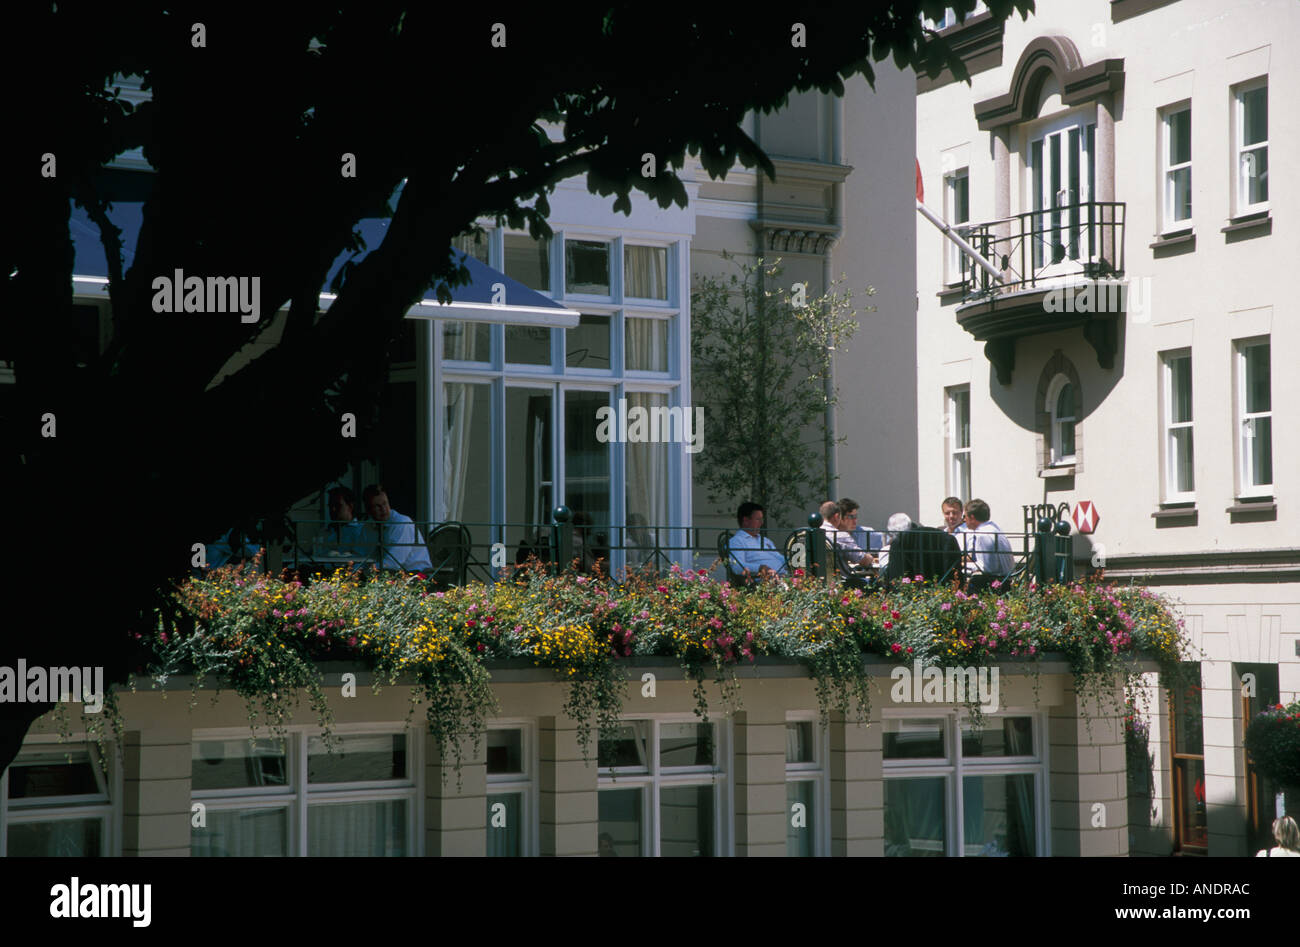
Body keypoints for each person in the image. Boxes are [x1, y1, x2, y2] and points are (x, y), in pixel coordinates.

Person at [362, 484, 433, 572]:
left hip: (416, 575)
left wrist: (366, 570)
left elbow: (394, 563)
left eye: (385, 503)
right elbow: (364, 554)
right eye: (377, 506)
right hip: (389, 575)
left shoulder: (402, 523)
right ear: (368, 510)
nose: (383, 509)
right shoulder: (368, 526)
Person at [961, 498, 1014, 590]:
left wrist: (962, 565)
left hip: (996, 583)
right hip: (1004, 579)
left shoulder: (983, 534)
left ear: (972, 517)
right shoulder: (994, 528)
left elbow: (988, 569)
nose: (964, 520)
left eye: (964, 516)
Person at [728, 501, 787, 580]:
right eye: (758, 519)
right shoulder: (736, 541)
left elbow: (779, 558)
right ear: (746, 520)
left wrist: (795, 561)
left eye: (762, 519)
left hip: (784, 578)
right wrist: (760, 568)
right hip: (765, 583)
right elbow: (737, 567)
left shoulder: (765, 540)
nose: (762, 523)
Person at [316, 486, 371, 562]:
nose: (333, 509)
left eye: (338, 506)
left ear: (350, 507)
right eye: (330, 506)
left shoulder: (361, 531)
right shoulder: (324, 531)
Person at [819, 500, 873, 570]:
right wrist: (870, 557)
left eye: (856, 516)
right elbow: (863, 560)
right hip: (840, 579)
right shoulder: (839, 535)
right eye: (851, 517)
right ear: (837, 516)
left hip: (815, 578)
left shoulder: (812, 534)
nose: (855, 521)